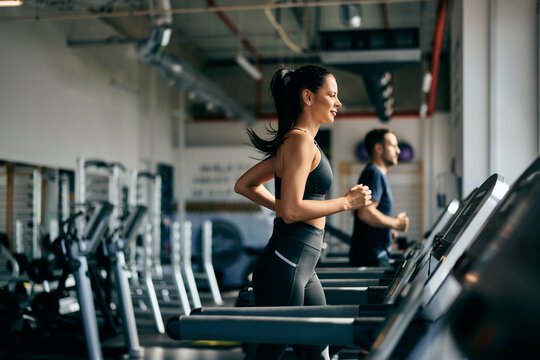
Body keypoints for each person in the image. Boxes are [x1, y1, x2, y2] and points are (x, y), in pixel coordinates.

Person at [234, 65, 372, 360]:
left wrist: (282, 207)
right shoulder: (298, 141)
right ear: (308, 97)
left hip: (301, 266)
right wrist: (346, 202)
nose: (338, 103)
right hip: (286, 263)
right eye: (332, 95)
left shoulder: (303, 142)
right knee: (270, 353)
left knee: (319, 349)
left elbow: (246, 185)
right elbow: (293, 209)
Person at [349, 128, 410, 267]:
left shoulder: (374, 174)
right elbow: (365, 213)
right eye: (393, 146)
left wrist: (387, 228)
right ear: (378, 148)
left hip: (373, 254)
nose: (398, 151)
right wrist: (396, 224)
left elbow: (360, 211)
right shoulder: (374, 174)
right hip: (372, 257)